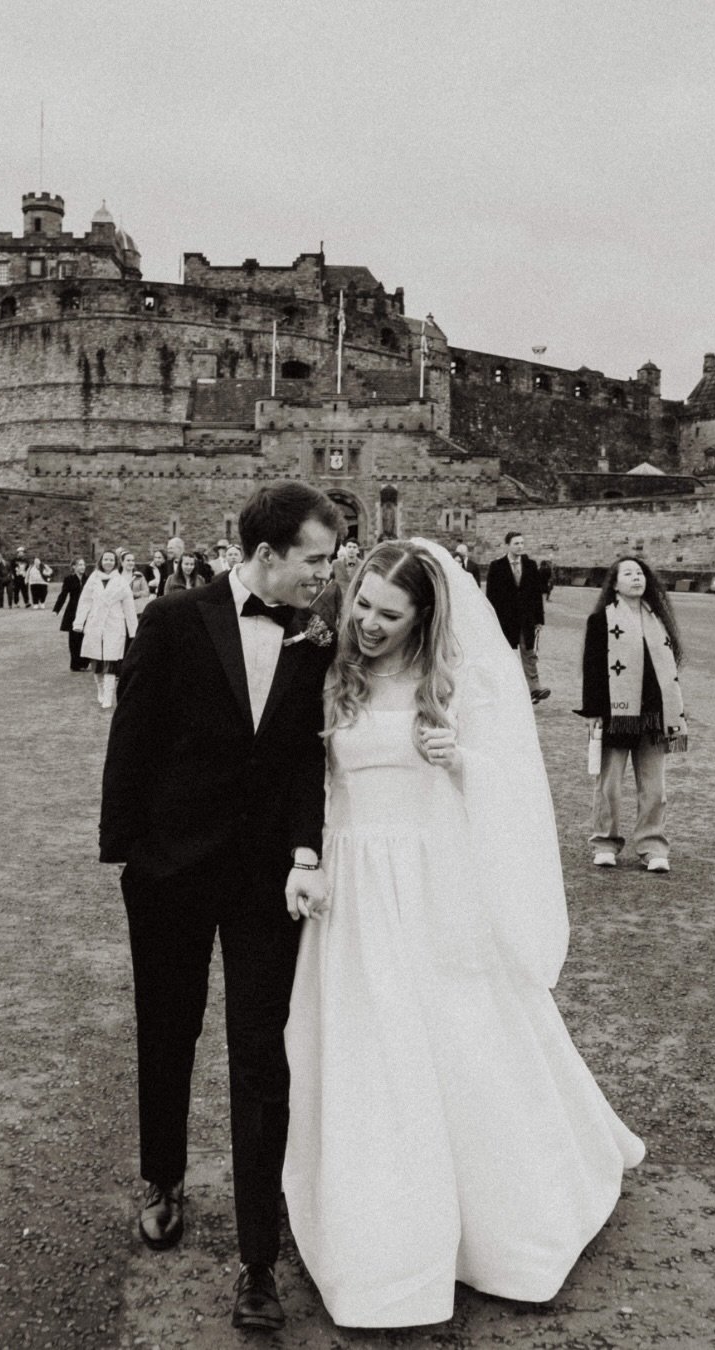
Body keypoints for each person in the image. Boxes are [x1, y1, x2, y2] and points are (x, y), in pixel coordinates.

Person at [283, 540, 644, 1328]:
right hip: (353, 888)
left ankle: (494, 1216)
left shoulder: (453, 678)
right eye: (363, 604)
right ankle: (381, 1222)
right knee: (371, 1051)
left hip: (430, 883)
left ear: (423, 617)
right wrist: (307, 859)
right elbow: (306, 781)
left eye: (389, 613)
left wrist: (461, 761)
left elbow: (515, 786)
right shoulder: (330, 670)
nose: (369, 623)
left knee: (461, 1042)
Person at [99, 482, 341, 1331]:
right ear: (267, 554)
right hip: (170, 869)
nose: (326, 573)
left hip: (264, 880)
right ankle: (163, 1176)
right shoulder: (172, 619)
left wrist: (305, 852)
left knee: (261, 1054)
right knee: (168, 1028)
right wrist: (129, 854)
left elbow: (309, 760)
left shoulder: (317, 633)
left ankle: (258, 1258)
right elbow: (132, 737)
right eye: (316, 558)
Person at [577, 557, 687, 872]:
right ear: (615, 584)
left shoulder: (659, 620)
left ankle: (653, 847)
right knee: (609, 784)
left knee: (654, 787)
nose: (636, 577)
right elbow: (592, 669)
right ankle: (605, 842)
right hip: (616, 712)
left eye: (640, 573)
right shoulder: (601, 620)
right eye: (628, 573)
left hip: (654, 712)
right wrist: (593, 712)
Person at [485, 530, 550, 704]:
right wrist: (491, 619)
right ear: (507, 545)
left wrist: (539, 620)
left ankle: (534, 689)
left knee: (529, 653)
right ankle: (502, 688)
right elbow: (491, 596)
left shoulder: (530, 565)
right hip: (505, 620)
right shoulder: (497, 566)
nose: (520, 546)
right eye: (516, 543)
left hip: (526, 619)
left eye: (522, 543)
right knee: (504, 654)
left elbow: (536, 594)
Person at [73, 549, 137, 708]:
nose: (108, 562)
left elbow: (129, 605)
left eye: (111, 560)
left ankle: (108, 696)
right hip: (95, 624)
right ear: (101, 561)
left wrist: (133, 629)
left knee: (111, 660)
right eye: (106, 559)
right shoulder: (93, 578)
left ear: (116, 563)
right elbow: (85, 601)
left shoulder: (120, 581)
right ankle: (100, 690)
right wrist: (79, 622)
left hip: (114, 624)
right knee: (96, 661)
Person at [52, 557, 89, 671]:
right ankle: (75, 664)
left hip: (86, 610)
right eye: (80, 565)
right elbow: (63, 595)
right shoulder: (69, 579)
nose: (82, 567)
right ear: (74, 567)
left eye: (83, 565)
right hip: (73, 611)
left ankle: (84, 663)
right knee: (74, 639)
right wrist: (56, 610)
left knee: (85, 637)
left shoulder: (88, 579)